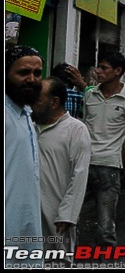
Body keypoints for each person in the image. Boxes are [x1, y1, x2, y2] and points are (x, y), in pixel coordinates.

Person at [68, 51, 125, 245]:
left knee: (105, 227)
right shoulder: (89, 94)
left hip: (109, 168)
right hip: (83, 165)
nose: (98, 71)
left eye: (103, 68)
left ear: (118, 71)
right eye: (98, 67)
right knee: (70, 218)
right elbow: (81, 126)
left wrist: (119, 162)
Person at [31, 76, 92, 267]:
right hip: (29, 214)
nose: (32, 104)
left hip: (57, 216)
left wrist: (68, 214)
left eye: (38, 99)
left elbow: (79, 175)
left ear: (54, 101)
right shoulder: (29, 127)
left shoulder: (76, 130)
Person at [5, 45, 45, 267]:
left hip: (26, 228)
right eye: (23, 73)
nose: (31, 79)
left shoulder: (26, 113)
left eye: (37, 73)